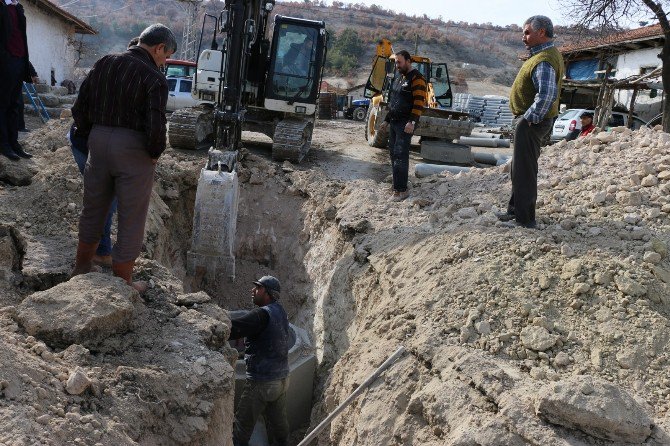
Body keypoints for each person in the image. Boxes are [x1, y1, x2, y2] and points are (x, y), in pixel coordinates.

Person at [70, 24, 176, 291]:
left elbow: (79, 106)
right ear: (158, 47)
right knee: (131, 217)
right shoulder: (154, 78)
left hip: (98, 142)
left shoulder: (104, 62)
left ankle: (81, 267)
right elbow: (156, 125)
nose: (165, 61)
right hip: (133, 150)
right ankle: (123, 282)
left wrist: (89, 136)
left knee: (93, 208)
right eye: (166, 55)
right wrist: (154, 153)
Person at [498, 15, 564, 229]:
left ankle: (525, 219)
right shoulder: (541, 56)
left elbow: (546, 95)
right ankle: (515, 210)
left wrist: (527, 120)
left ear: (541, 32)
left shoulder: (544, 59)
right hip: (530, 121)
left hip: (532, 122)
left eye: (527, 32)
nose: (523, 37)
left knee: (524, 170)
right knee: (520, 168)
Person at [229, 275, 290, 446]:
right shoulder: (281, 311)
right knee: (279, 427)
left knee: (242, 426)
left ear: (267, 293)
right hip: (282, 379)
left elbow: (234, 328)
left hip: (262, 382)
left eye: (258, 288)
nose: (252, 290)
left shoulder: (261, 315)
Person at [379, 50, 427, 202]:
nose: (397, 65)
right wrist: (386, 120)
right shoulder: (400, 78)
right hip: (394, 121)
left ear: (408, 61)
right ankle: (396, 187)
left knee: (401, 155)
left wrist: (412, 122)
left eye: (399, 62)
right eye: (396, 62)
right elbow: (394, 102)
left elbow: (419, 103)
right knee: (394, 154)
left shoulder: (417, 79)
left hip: (405, 123)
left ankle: (402, 190)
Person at [0, 0, 37, 160]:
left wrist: (28, 67)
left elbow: (21, 39)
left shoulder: (18, 7)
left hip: (19, 61)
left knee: (14, 106)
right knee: (2, 105)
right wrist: (5, 58)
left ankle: (14, 143)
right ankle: (4, 144)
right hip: (5, 62)